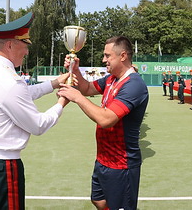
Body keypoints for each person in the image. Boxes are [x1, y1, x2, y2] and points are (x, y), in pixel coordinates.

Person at [0, 12, 70, 210]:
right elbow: (38, 125)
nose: (27, 52)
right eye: (25, 45)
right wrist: (62, 103)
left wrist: (53, 83)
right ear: (10, 45)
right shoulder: (9, 81)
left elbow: (18, 95)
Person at [57, 36, 149, 210]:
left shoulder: (134, 85)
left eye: (107, 56)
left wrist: (76, 97)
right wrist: (75, 70)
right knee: (99, 200)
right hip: (104, 159)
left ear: (122, 56)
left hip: (122, 164)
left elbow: (106, 119)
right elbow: (87, 88)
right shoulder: (111, 79)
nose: (103, 60)